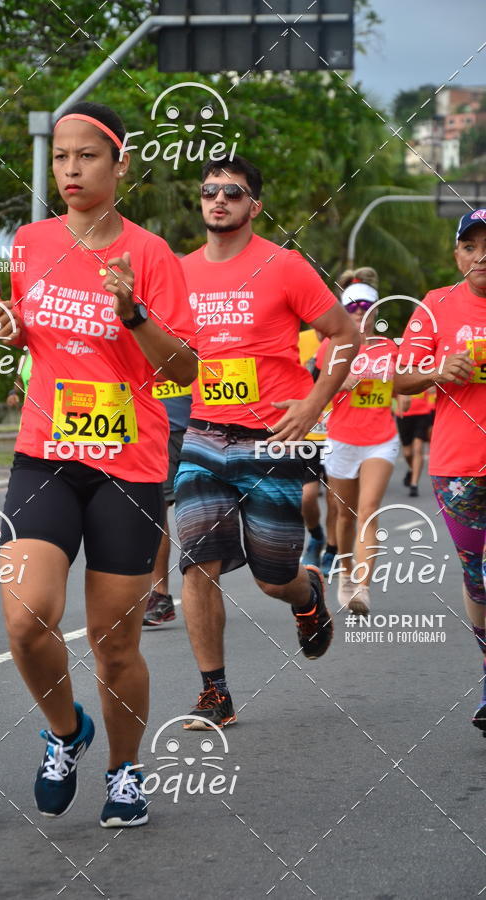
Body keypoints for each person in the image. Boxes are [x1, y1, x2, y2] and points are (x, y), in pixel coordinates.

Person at [0, 101, 197, 827]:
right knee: (25, 620)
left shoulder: (152, 253)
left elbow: (185, 368)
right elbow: (26, 337)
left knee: (115, 645)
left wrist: (136, 314)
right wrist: (2, 332)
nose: (71, 169)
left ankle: (125, 770)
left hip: (129, 467)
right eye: (61, 158)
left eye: (87, 156)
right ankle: (65, 730)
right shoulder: (30, 241)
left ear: (119, 166)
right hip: (44, 454)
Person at [174, 155, 359, 729]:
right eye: (210, 191)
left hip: (274, 439)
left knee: (272, 576)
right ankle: (215, 691)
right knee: (196, 562)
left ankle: (307, 597)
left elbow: (347, 335)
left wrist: (313, 402)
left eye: (232, 192)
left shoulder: (286, 267)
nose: (219, 200)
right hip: (204, 436)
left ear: (254, 204)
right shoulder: (178, 272)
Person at [394, 209, 486, 735]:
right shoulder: (435, 306)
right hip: (458, 467)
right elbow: (402, 379)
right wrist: (436, 370)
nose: (481, 255)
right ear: (457, 255)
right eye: (470, 246)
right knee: (477, 579)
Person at [317, 269, 399, 615]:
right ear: (343, 309)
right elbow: (319, 388)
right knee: (344, 516)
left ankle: (363, 588)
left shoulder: (390, 348)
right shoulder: (330, 347)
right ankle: (347, 577)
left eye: (366, 306)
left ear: (376, 310)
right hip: (342, 439)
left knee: (368, 511)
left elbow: (405, 381)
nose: (359, 312)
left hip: (381, 438)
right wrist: (339, 380)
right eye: (352, 306)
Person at [143, 377, 192, 626]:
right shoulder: (138, 335)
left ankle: (203, 584)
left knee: (199, 511)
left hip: (205, 428)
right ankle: (160, 595)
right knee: (156, 510)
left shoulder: (199, 336)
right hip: (157, 431)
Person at [298, 326, 338, 574]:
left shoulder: (346, 341)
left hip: (341, 432)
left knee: (336, 498)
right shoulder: (300, 340)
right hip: (309, 433)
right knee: (307, 495)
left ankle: (333, 550)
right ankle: (315, 535)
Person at [396, 387, 435, 497]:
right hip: (403, 415)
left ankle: (414, 484)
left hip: (422, 413)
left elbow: (432, 386)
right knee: (407, 453)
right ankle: (412, 468)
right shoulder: (399, 371)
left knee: (418, 448)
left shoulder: (423, 369)